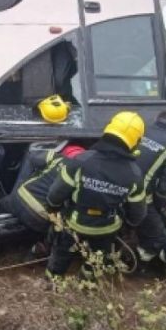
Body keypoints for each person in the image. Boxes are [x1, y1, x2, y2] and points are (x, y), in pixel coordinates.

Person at [45, 112, 147, 278]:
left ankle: (52, 283)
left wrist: (53, 210)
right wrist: (128, 226)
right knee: (96, 261)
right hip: (106, 229)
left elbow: (56, 194)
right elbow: (138, 213)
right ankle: (86, 287)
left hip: (74, 223)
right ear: (136, 142)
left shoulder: (81, 160)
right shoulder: (134, 174)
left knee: (61, 255)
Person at [0, 144, 86, 234]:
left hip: (19, 199)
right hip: (40, 218)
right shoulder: (81, 177)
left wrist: (19, 186)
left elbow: (31, 157)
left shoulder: (56, 157)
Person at [133, 111, 166, 261]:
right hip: (140, 193)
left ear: (156, 118)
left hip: (119, 181)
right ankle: (142, 260)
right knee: (156, 234)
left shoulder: (141, 129)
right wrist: (161, 201)